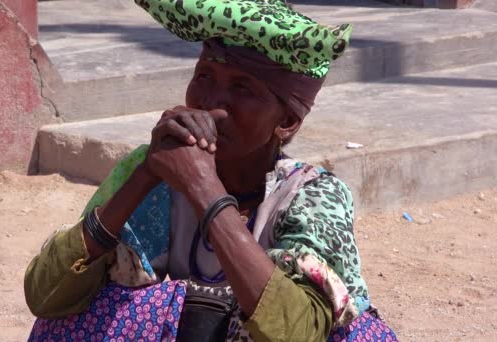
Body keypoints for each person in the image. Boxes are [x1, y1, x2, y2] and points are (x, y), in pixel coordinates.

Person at [24, 0, 398, 341]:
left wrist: (205, 189)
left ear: (286, 121)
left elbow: (297, 332)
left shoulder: (314, 196)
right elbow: (45, 297)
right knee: (72, 316)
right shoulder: (155, 173)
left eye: (242, 87)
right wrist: (143, 175)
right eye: (204, 77)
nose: (213, 103)